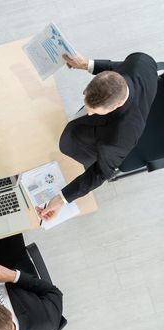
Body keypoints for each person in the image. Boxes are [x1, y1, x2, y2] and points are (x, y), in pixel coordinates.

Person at [38, 52, 159, 221]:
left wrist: (61, 199)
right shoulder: (140, 60)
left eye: (94, 111)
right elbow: (117, 70)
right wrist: (86, 65)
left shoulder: (118, 137)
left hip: (119, 139)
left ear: (117, 105)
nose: (88, 112)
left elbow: (100, 173)